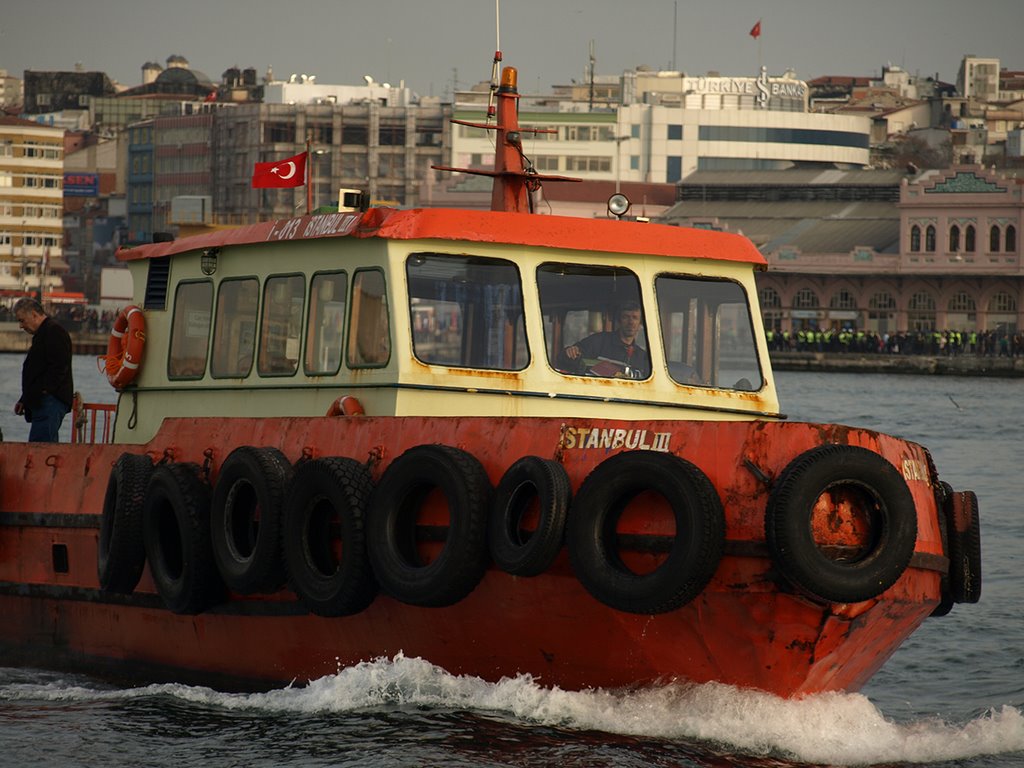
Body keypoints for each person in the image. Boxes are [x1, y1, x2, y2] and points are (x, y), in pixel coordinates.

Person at [13, 298, 74, 442]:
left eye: (22, 320)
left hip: (49, 401)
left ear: (34, 314)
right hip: (44, 400)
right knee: (41, 446)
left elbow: (59, 367)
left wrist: (44, 391)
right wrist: (25, 398)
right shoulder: (45, 332)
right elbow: (39, 370)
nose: (21, 326)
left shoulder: (53, 332)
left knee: (40, 447)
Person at [561, 301, 650, 378]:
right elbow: (565, 359)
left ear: (640, 323)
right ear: (619, 321)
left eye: (635, 318)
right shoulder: (598, 341)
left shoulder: (642, 357)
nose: (630, 322)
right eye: (626, 317)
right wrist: (569, 352)